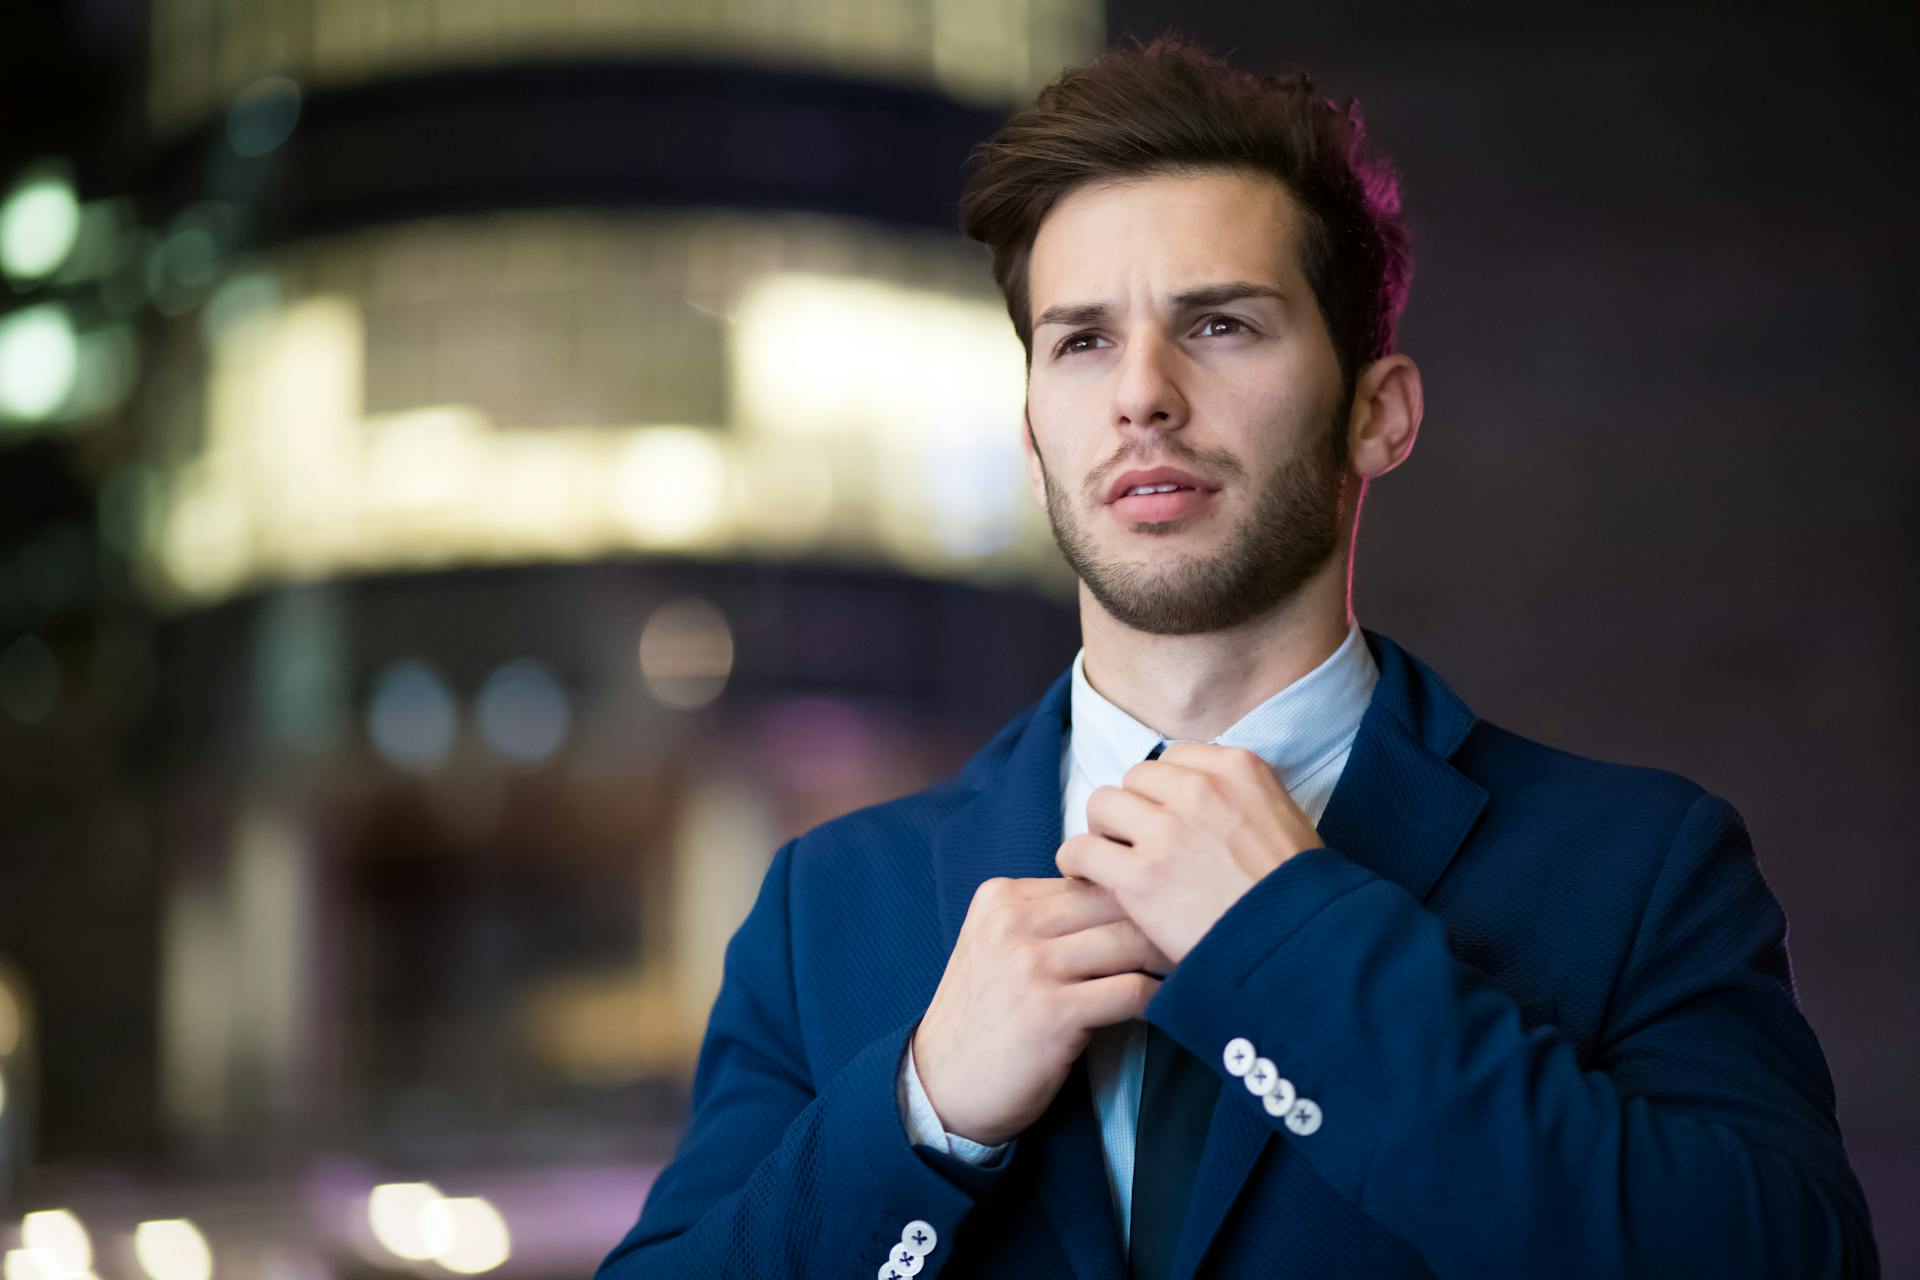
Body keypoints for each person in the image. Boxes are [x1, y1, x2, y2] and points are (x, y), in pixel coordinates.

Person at [596, 35, 1877, 1279]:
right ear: (1035, 438)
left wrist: (1296, 949)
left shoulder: (1641, 868)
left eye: (1219, 325)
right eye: (1082, 339)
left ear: (1376, 415)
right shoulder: (824, 908)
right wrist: (923, 1109)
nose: (1140, 392)